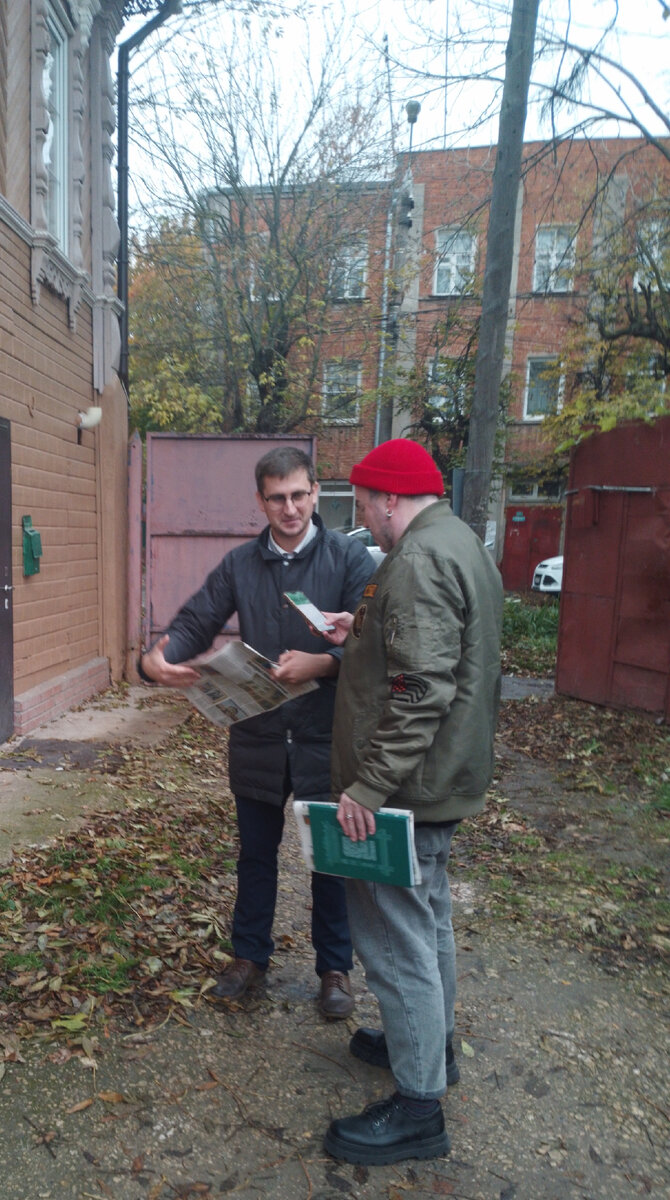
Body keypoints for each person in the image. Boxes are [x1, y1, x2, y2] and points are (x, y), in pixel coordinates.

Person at [318, 438, 503, 1165]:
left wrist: (366, 787)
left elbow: (422, 689)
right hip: (441, 779)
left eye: (363, 504)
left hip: (404, 790)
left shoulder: (420, 559)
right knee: (430, 926)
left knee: (395, 941)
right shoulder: (456, 540)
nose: (363, 518)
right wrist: (357, 633)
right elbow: (434, 654)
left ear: (389, 498)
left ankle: (419, 1106)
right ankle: (431, 1047)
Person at [139, 446, 375, 1017]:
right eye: (277, 498)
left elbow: (377, 648)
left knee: (331, 860)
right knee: (255, 855)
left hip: (325, 737)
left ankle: (334, 970)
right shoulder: (240, 564)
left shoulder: (351, 561)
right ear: (260, 501)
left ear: (317, 492)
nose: (289, 508)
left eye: (299, 495)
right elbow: (198, 618)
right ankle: (249, 958)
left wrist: (322, 665)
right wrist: (156, 657)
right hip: (260, 735)